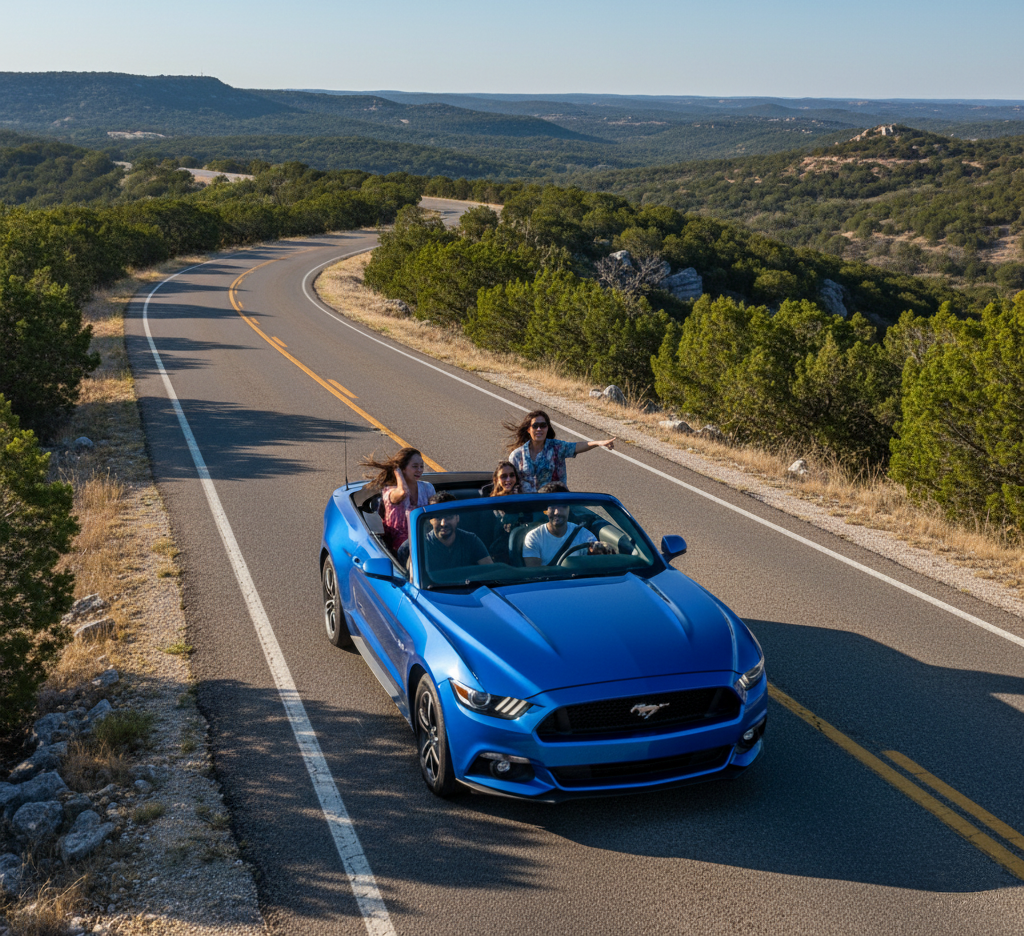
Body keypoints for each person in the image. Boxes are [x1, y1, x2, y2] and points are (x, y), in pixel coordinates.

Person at [505, 410, 616, 492]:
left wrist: (598, 443)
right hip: (528, 507)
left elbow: (576, 446)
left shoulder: (556, 447)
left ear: (547, 428)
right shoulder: (516, 455)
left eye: (543, 425)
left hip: (555, 505)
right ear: (528, 429)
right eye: (535, 426)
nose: (539, 429)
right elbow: (510, 482)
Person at [361, 447, 435, 551]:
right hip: (400, 545)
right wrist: (397, 470)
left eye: (421, 466)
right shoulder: (390, 492)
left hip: (424, 537)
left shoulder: (428, 487)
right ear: (403, 468)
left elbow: (435, 513)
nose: (419, 470)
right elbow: (403, 492)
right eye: (415, 466)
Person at [398, 492, 493, 572]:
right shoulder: (418, 546)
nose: (443, 523)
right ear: (430, 520)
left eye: (449, 517)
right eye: (438, 518)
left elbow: (491, 572)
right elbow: (411, 581)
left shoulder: (471, 541)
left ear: (457, 518)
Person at [523, 483, 612, 566]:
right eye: (552, 507)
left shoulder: (586, 536)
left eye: (563, 506)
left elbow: (595, 569)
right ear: (545, 510)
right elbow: (535, 574)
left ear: (569, 508)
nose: (557, 512)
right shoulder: (534, 538)